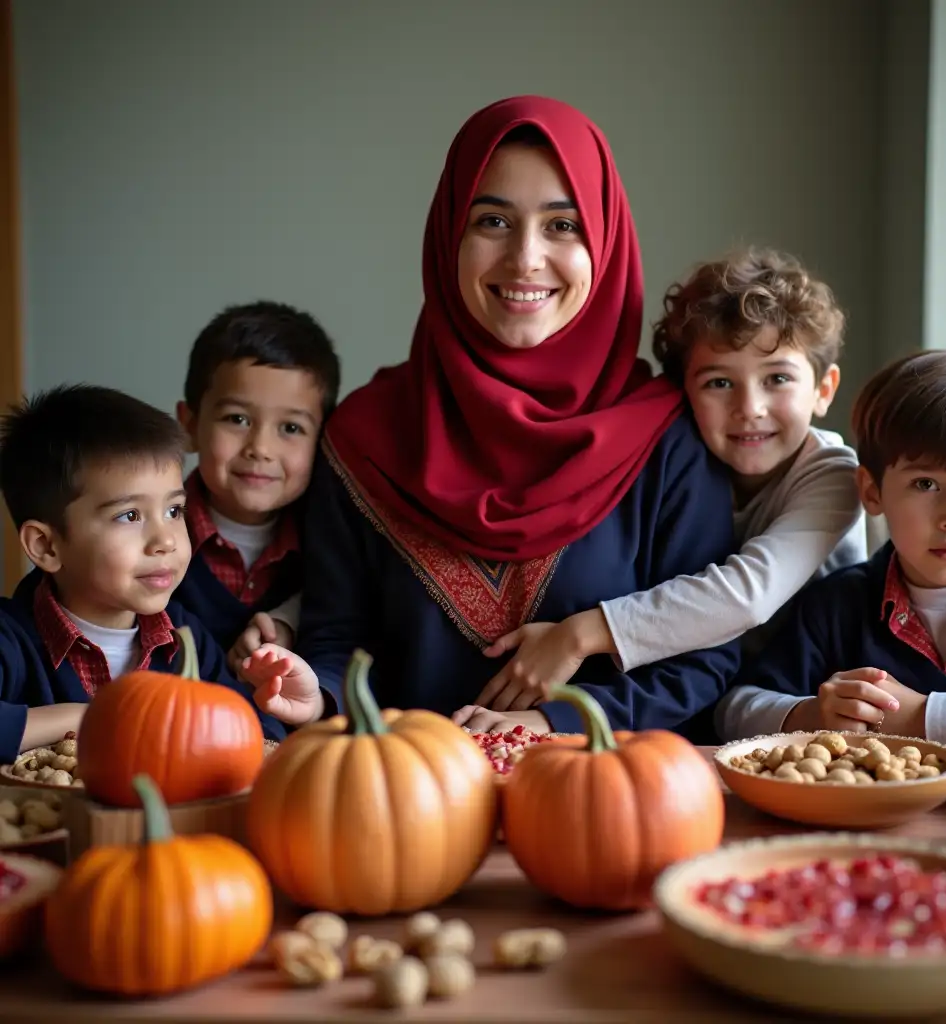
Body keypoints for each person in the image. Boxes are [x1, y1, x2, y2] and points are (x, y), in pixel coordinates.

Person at [246, 95, 741, 737]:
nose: (525, 258)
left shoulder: (668, 440)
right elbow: (339, 642)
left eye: (563, 226)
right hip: (402, 807)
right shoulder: (363, 440)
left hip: (604, 799)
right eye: (492, 222)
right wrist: (317, 696)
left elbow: (702, 662)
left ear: (607, 243)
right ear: (448, 233)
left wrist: (551, 722)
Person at [474, 248, 866, 716]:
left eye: (777, 378)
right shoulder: (685, 468)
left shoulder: (833, 474)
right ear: (682, 395)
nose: (750, 408)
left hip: (813, 698)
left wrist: (579, 636)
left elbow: (748, 596)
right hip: (722, 697)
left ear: (824, 390)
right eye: (719, 383)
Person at [0, 385, 325, 763]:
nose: (165, 541)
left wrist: (279, 699)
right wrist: (84, 717)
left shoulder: (186, 641)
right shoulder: (10, 639)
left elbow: (253, 741)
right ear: (46, 547)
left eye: (174, 511)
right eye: (130, 516)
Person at [722, 350, 946, 745]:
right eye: (925, 485)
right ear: (872, 491)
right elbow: (734, 709)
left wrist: (919, 717)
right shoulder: (836, 604)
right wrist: (811, 714)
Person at [173, 300, 340, 670]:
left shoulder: (332, 545)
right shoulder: (152, 537)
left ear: (323, 442)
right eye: (237, 419)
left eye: (291, 428)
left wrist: (288, 623)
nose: (260, 449)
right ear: (189, 426)